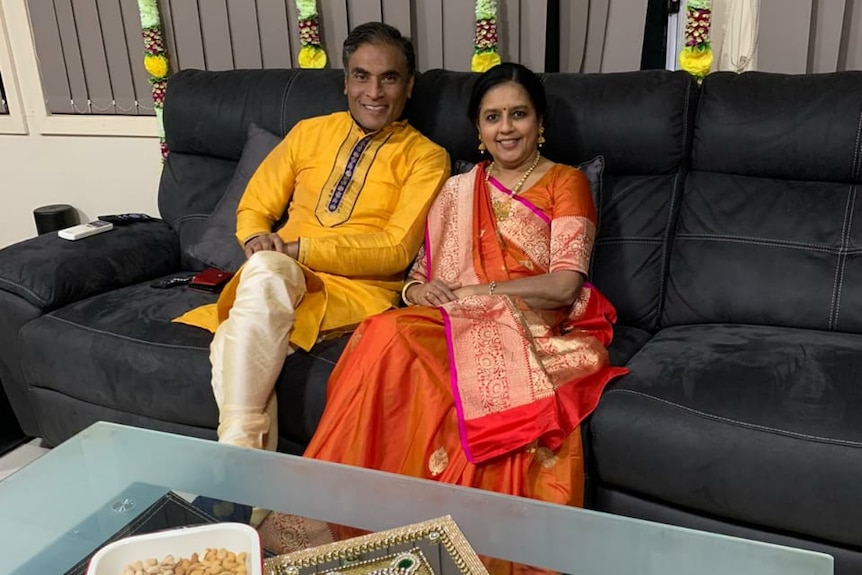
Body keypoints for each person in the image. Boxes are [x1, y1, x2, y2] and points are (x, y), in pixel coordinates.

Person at [305, 63, 628, 518]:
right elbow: (419, 277)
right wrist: (419, 293)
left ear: (540, 123)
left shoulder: (565, 182)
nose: (506, 128)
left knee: (405, 347)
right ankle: (352, 513)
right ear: (478, 128)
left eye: (518, 114)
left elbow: (564, 284)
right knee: (383, 332)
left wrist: (480, 292)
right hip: (452, 317)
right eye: (492, 117)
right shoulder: (458, 188)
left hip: (528, 322)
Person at [174, 22, 450, 451]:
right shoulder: (308, 133)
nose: (373, 92)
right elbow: (254, 207)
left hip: (355, 292)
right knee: (255, 297)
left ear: (409, 86)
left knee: (233, 338)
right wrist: (254, 239)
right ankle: (244, 474)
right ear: (345, 83)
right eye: (361, 76)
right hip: (280, 277)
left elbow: (396, 249)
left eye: (389, 78)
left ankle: (236, 466)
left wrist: (297, 249)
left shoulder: (427, 158)